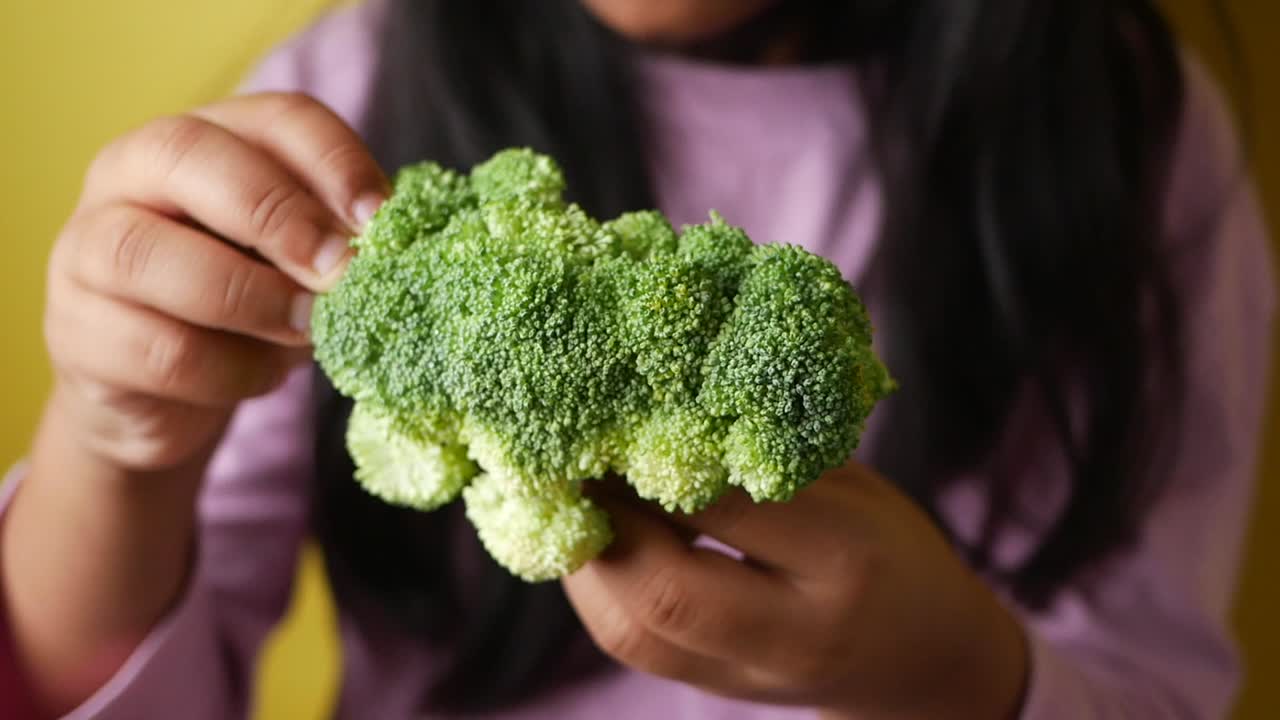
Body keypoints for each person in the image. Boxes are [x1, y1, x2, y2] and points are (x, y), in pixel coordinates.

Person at [2, 0, 1274, 717]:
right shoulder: (349, 101)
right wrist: (115, 446)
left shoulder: (1124, 139)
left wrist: (964, 678)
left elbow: (1152, 680)